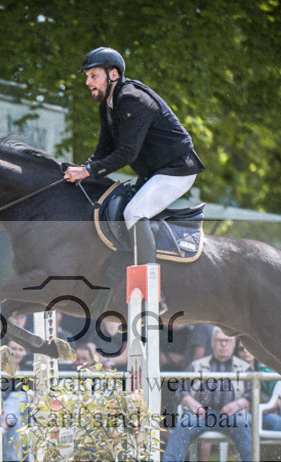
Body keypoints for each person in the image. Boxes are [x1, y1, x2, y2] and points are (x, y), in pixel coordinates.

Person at [63, 47, 204, 313]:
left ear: (113, 74)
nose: (87, 82)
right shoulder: (109, 103)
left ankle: (153, 295)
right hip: (154, 172)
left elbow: (127, 153)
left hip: (177, 170)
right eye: (87, 76)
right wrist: (84, 170)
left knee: (134, 212)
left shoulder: (132, 99)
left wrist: (89, 171)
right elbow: (103, 151)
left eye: (93, 75)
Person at [163, 327, 254, 462]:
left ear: (234, 343)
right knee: (185, 423)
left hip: (231, 415)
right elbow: (181, 389)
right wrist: (193, 404)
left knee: (243, 423)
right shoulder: (196, 366)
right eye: (219, 341)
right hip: (201, 414)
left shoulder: (245, 368)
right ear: (212, 343)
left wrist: (237, 405)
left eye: (227, 341)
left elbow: (251, 394)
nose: (223, 344)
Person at [235, 342, 281, 433]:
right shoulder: (232, 373)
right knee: (246, 421)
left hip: (266, 413)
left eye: (249, 347)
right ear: (237, 352)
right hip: (242, 414)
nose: (246, 351)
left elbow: (280, 401)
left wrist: (264, 409)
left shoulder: (266, 372)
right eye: (241, 349)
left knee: (277, 422)